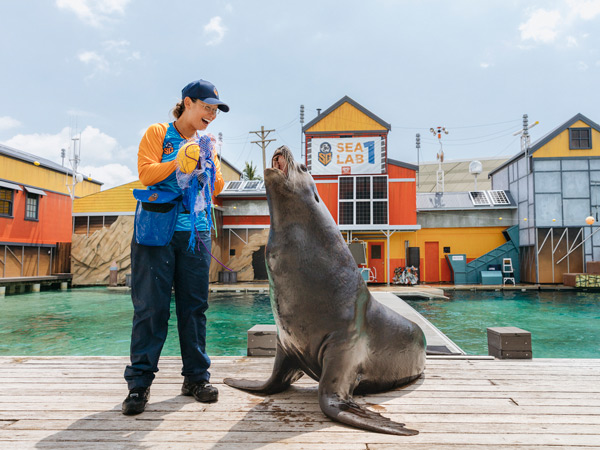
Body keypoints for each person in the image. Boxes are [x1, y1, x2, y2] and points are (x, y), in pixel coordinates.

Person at [122, 79, 228, 415]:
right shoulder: (158, 133)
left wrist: (208, 164)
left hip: (196, 234)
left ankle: (196, 378)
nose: (211, 114)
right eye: (206, 107)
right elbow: (145, 173)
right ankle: (139, 385)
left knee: (194, 308)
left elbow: (217, 188)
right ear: (187, 103)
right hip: (156, 233)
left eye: (215, 110)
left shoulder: (206, 142)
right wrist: (178, 161)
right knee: (151, 308)